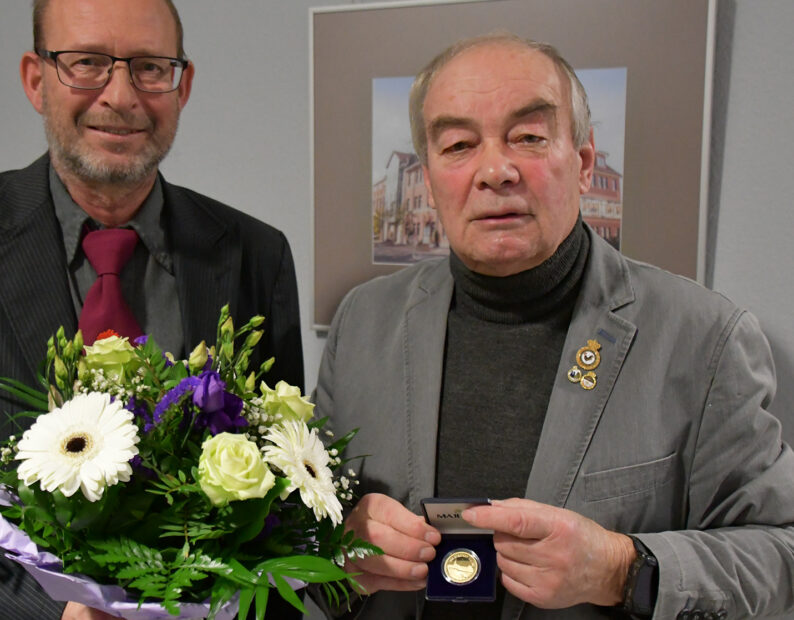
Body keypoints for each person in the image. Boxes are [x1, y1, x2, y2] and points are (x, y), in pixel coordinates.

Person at [315, 33, 794, 619]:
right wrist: (334, 547)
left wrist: (623, 568)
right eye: (459, 145)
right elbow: (300, 527)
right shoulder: (363, 322)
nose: (496, 171)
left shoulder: (705, 339)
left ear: (584, 162)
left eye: (529, 138)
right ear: (432, 174)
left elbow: (780, 551)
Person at [0, 0, 304, 618]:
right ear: (35, 79)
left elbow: (282, 486)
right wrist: (43, 613)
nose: (121, 95)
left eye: (151, 68)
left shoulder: (257, 252)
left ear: (184, 86)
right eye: (87, 63)